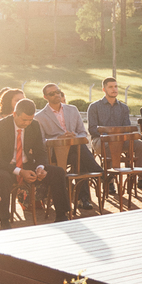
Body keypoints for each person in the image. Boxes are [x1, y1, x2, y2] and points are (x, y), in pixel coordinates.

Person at [0, 99, 70, 229]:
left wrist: (41, 168)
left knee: (58, 172)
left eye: (30, 120)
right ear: (14, 114)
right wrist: (19, 171)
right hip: (0, 167)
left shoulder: (34, 125)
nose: (27, 123)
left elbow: (40, 151)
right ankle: (5, 222)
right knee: (3, 177)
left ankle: (62, 216)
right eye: (24, 120)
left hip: (26, 165)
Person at [35, 83, 104, 212]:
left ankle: (83, 198)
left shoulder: (72, 109)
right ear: (45, 97)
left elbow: (83, 133)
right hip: (55, 153)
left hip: (75, 150)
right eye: (52, 93)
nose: (56, 95)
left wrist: (74, 136)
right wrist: (59, 139)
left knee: (79, 155)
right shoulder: (39, 117)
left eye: (58, 92)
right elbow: (41, 142)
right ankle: (99, 175)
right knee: (80, 153)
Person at [87, 78, 133, 155]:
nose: (114, 89)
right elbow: (92, 129)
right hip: (100, 140)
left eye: (116, 86)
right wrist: (109, 137)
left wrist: (119, 137)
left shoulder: (124, 107)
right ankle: (111, 167)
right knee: (109, 146)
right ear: (104, 89)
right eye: (110, 87)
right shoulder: (94, 106)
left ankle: (139, 167)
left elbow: (127, 127)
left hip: (121, 139)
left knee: (139, 144)